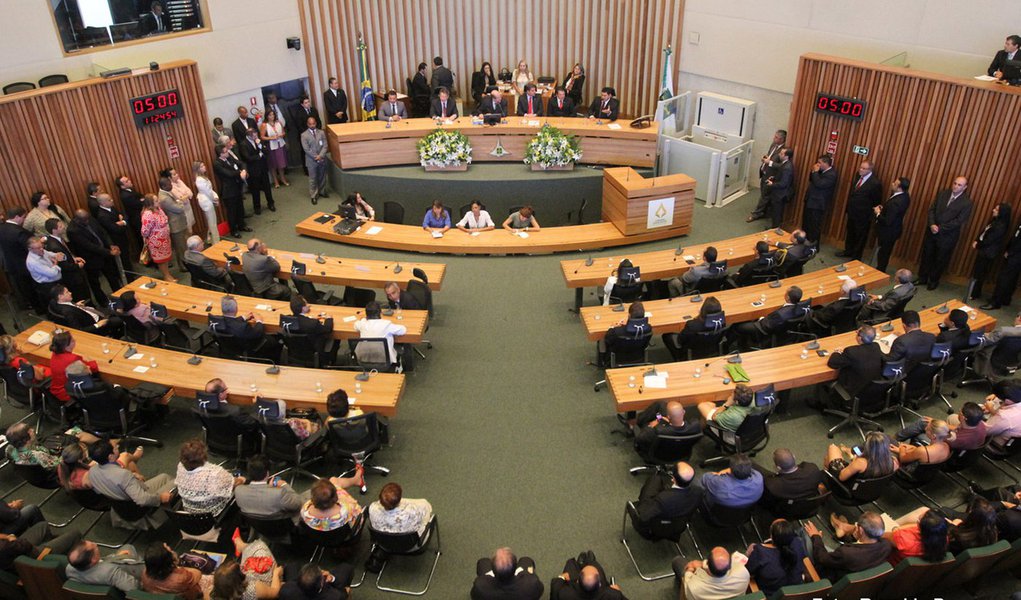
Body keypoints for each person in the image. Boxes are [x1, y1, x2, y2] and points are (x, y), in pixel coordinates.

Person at [87, 438, 175, 529]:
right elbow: (142, 500)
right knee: (178, 483)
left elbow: (104, 485)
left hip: (122, 506)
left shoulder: (92, 471)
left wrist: (132, 476)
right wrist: (160, 498)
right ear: (111, 457)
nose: (118, 446)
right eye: (115, 448)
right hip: (138, 509)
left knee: (165, 477)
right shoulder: (123, 475)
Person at [918, 176, 973, 290]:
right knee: (927, 255)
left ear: (965, 187)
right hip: (932, 231)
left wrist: (940, 228)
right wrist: (932, 224)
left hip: (947, 236)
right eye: (955, 183)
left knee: (940, 259)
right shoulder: (943, 194)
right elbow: (932, 209)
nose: (956, 186)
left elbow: (959, 221)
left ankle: (933, 281)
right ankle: (922, 278)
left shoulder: (966, 202)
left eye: (959, 185)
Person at [803, 512, 892, 581]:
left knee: (805, 534)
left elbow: (822, 558)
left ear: (861, 530)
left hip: (830, 576)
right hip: (852, 575)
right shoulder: (886, 546)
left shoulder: (846, 553)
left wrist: (816, 536)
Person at [630, 461, 702, 538]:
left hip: (656, 528)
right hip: (678, 526)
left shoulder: (663, 499)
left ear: (673, 478)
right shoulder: (699, 491)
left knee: (653, 480)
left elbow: (643, 518)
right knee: (657, 481)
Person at [68, 209, 123, 305]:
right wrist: (109, 252)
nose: (87, 221)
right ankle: (102, 301)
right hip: (91, 259)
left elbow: (102, 232)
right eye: (85, 220)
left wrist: (110, 244)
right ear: (77, 219)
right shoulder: (72, 230)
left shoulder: (90, 219)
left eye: (87, 218)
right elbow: (88, 246)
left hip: (104, 254)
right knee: (95, 283)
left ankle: (119, 295)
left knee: (112, 276)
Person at [175, 439, 243, 516]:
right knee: (241, 483)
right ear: (204, 456)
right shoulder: (215, 473)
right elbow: (235, 483)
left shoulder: (180, 466)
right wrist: (242, 480)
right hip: (212, 513)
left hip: (189, 511)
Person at [234, 455, 307, 523]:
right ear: (267, 473)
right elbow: (298, 504)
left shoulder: (238, 490)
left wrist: (269, 488)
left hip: (256, 525)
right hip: (282, 527)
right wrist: (284, 485)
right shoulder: (279, 493)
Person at [745, 519, 807, 596]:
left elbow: (748, 571)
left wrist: (748, 555)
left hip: (771, 595)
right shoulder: (798, 543)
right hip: (796, 593)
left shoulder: (760, 552)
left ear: (771, 537)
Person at [732, 285, 804, 348]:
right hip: (785, 333)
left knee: (737, 325)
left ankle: (742, 345)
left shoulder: (780, 314)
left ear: (788, 297)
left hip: (764, 330)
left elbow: (765, 326)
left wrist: (761, 318)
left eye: (786, 293)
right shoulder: (802, 309)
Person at [210, 538, 283, 600]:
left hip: (250, 581)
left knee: (250, 556)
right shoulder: (252, 589)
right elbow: (275, 593)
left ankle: (243, 547)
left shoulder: (216, 594)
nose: (241, 566)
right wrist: (276, 574)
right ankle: (243, 546)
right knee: (260, 546)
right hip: (266, 586)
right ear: (240, 578)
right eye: (240, 569)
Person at [838, 160, 883, 260]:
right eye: (860, 167)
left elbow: (876, 201)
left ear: (870, 170)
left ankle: (856, 256)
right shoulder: (858, 176)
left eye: (864, 168)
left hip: (863, 215)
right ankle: (848, 251)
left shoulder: (875, 183)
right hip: (852, 211)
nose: (861, 170)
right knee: (850, 232)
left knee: (860, 236)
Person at [217, 295, 283, 362]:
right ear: (236, 308)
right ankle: (276, 362)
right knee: (276, 340)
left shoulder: (216, 321)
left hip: (228, 348)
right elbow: (257, 333)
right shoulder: (243, 327)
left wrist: (243, 318)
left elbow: (230, 321)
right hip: (247, 346)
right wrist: (259, 321)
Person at [0, 207, 42, 312]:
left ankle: (35, 307)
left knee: (24, 288)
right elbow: (30, 247)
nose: (24, 219)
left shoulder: (2, 228)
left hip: (12, 264)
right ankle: (40, 308)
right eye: (23, 217)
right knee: (33, 289)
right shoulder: (19, 231)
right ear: (17, 217)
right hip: (25, 264)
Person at [0, 519, 81, 573]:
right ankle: (75, 567)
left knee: (43, 526)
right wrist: (11, 538)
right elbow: (26, 545)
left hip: (16, 553)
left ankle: (55, 551)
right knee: (75, 534)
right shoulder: (4, 546)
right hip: (31, 558)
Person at [825, 325, 884, 397]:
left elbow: (832, 363)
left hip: (852, 391)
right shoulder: (876, 346)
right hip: (870, 391)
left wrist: (837, 352)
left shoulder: (851, 352)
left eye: (857, 332)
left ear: (859, 338)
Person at [662, 296, 726, 361]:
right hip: (712, 350)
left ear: (703, 310)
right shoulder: (722, 323)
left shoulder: (692, 325)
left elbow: (680, 341)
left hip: (691, 353)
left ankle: (679, 358)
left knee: (666, 336)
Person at [673, 546, 750, 600]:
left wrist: (691, 568)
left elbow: (686, 578)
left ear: (707, 564)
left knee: (677, 561)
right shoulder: (743, 573)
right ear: (730, 567)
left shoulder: (694, 588)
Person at [824, 431, 899, 486]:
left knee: (833, 448)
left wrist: (854, 461)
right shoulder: (894, 462)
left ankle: (827, 482)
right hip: (871, 490)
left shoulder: (861, 462)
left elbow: (841, 477)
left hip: (852, 488)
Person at [66, 540, 144, 593]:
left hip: (106, 563)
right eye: (93, 546)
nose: (95, 544)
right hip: (131, 571)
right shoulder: (110, 572)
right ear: (93, 560)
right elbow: (134, 588)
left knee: (128, 547)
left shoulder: (70, 569)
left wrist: (117, 556)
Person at [43, 217, 91, 302]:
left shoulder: (57, 239)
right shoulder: (55, 247)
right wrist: (78, 265)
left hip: (74, 271)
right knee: (82, 297)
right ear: (54, 230)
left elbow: (66, 255)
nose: (63, 227)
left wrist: (73, 258)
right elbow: (64, 265)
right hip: (72, 278)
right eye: (60, 226)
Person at [759, 448, 823, 511]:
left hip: (788, 511)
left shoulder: (773, 485)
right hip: (811, 505)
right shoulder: (813, 469)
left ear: (778, 468)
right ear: (794, 457)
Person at [970, 202, 1012, 299]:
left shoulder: (1001, 226)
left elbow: (990, 239)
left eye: (996, 210)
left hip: (988, 253)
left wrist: (978, 244)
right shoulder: (995, 221)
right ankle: (973, 291)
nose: (993, 210)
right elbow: (984, 232)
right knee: (978, 272)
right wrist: (977, 240)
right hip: (984, 250)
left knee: (981, 273)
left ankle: (975, 293)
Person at [470, 546, 544, 600]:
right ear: (516, 567)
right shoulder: (532, 583)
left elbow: (474, 597)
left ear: (493, 570)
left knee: (483, 562)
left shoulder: (480, 586)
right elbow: (539, 592)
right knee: (526, 560)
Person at [747, 129, 788, 223]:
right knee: (764, 194)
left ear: (782, 139)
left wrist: (769, 162)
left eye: (776, 137)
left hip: (771, 176)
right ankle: (764, 212)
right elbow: (770, 155)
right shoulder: (773, 145)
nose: (774, 138)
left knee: (764, 196)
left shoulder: (784, 150)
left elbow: (782, 166)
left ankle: (756, 213)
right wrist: (766, 158)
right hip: (765, 172)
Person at [872, 176, 912, 273]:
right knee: (884, 253)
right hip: (894, 230)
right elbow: (892, 213)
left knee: (883, 254)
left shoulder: (897, 202)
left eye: (895, 183)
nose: (892, 184)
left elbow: (887, 221)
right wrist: (884, 210)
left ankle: (880, 271)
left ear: (899, 187)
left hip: (888, 232)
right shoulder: (905, 196)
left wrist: (878, 213)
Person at [549, 551, 626, 600]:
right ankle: (591, 561)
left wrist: (562, 577)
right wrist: (618, 592)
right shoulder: (611, 595)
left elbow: (555, 588)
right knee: (597, 567)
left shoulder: (565, 594)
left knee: (570, 564)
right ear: (600, 584)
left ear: (577, 581)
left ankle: (580, 564)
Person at [633, 401, 701, 456]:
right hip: (681, 453)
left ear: (668, 417)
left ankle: (637, 420)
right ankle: (656, 416)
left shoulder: (657, 430)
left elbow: (639, 440)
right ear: (684, 412)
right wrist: (659, 419)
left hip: (658, 454)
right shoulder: (696, 427)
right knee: (660, 404)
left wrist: (650, 426)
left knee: (644, 422)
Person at [48, 329, 99, 403]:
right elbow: (93, 368)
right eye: (72, 341)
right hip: (69, 392)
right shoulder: (73, 359)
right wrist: (91, 361)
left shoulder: (55, 353)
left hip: (57, 389)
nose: (75, 340)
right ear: (66, 347)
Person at [354, 301, 408, 368]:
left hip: (364, 360)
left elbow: (355, 325)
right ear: (380, 312)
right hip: (384, 361)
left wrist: (364, 320)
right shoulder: (386, 324)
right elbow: (403, 330)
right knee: (400, 347)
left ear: (366, 314)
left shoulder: (362, 324)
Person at [287, 295, 338, 365]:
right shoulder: (313, 323)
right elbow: (327, 329)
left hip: (294, 352)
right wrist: (329, 319)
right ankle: (330, 361)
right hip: (313, 352)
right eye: (306, 304)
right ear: (303, 309)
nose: (309, 305)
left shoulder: (287, 320)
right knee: (336, 339)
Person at [368, 482, 433, 536]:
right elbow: (427, 512)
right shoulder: (411, 512)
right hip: (409, 543)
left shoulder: (372, 508)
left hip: (383, 541)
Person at [93, 193, 133, 277]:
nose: (112, 200)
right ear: (103, 203)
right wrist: (123, 223)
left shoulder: (112, 208)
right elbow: (116, 229)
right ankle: (128, 277)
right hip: (116, 242)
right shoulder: (102, 216)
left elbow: (124, 215)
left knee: (126, 257)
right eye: (109, 200)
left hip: (123, 238)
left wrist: (122, 222)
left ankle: (131, 274)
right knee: (122, 261)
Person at [801, 154, 837, 246]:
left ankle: (814, 245)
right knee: (807, 223)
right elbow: (811, 179)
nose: (817, 164)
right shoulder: (820, 171)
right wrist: (814, 171)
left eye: (819, 162)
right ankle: (805, 241)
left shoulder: (831, 174)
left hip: (818, 204)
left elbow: (819, 184)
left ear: (826, 163)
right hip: (810, 201)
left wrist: (816, 173)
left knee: (814, 225)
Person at [240, 128, 276, 214]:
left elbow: (266, 151)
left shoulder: (259, 141)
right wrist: (259, 156)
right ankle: (257, 207)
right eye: (254, 136)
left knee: (267, 187)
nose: (256, 137)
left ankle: (271, 203)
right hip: (253, 170)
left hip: (263, 168)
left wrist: (260, 145)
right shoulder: (243, 144)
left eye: (256, 134)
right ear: (248, 136)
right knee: (255, 189)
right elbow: (247, 158)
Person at [140, 194, 176, 282]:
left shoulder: (158, 209)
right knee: (161, 260)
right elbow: (145, 231)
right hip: (156, 241)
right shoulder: (148, 214)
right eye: (156, 201)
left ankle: (167, 274)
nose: (159, 201)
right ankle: (166, 276)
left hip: (165, 239)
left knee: (166, 259)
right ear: (150, 203)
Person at [279, 562, 356, 600]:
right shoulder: (335, 596)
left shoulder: (285, 590)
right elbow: (345, 592)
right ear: (322, 583)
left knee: (292, 566)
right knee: (347, 568)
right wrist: (332, 579)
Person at [25, 235, 65, 307]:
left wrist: (59, 256)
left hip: (57, 282)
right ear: (30, 249)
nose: (42, 249)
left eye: (42, 246)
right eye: (38, 248)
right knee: (57, 307)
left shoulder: (42, 251)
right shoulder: (33, 262)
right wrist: (56, 262)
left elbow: (56, 255)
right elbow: (53, 273)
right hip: (48, 287)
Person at [762, 147, 794, 228]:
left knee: (777, 214)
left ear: (786, 156)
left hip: (780, 195)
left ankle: (775, 230)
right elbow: (780, 176)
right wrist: (773, 178)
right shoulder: (784, 164)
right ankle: (773, 228)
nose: (779, 155)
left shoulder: (787, 168)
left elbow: (783, 183)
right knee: (775, 213)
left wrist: (772, 184)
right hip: (778, 194)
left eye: (782, 154)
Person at [301, 117, 330, 205]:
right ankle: (313, 195)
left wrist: (320, 156)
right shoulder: (304, 135)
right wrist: (316, 157)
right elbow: (306, 149)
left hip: (322, 158)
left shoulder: (321, 132)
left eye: (313, 123)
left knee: (322, 176)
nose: (312, 125)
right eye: (310, 124)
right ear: (307, 124)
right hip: (311, 160)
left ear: (316, 123)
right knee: (313, 178)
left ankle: (321, 191)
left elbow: (325, 145)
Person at [192, 161, 220, 244]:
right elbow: (208, 192)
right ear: (197, 169)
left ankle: (210, 238)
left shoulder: (203, 177)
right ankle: (216, 241)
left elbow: (210, 190)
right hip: (206, 202)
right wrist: (215, 200)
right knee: (212, 222)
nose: (204, 167)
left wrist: (215, 197)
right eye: (201, 166)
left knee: (210, 221)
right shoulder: (200, 180)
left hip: (208, 200)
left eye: (203, 165)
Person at [260, 109, 290, 188]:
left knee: (281, 163)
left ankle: (283, 179)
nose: (272, 116)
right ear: (267, 116)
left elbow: (283, 132)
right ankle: (276, 181)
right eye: (270, 115)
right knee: (273, 164)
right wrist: (271, 138)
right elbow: (262, 137)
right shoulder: (264, 125)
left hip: (280, 145)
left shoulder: (278, 122)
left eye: (273, 114)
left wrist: (282, 135)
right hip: (271, 146)